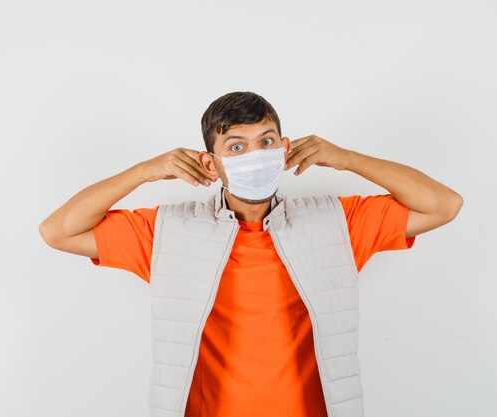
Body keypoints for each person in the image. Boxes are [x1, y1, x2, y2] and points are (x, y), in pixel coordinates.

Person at [39, 91, 463, 417]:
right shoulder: (167, 232)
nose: (255, 154)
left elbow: (444, 204)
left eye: (266, 140)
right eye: (236, 147)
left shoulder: (337, 222)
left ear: (285, 147)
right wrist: (144, 171)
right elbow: (57, 230)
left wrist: (346, 159)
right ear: (211, 164)